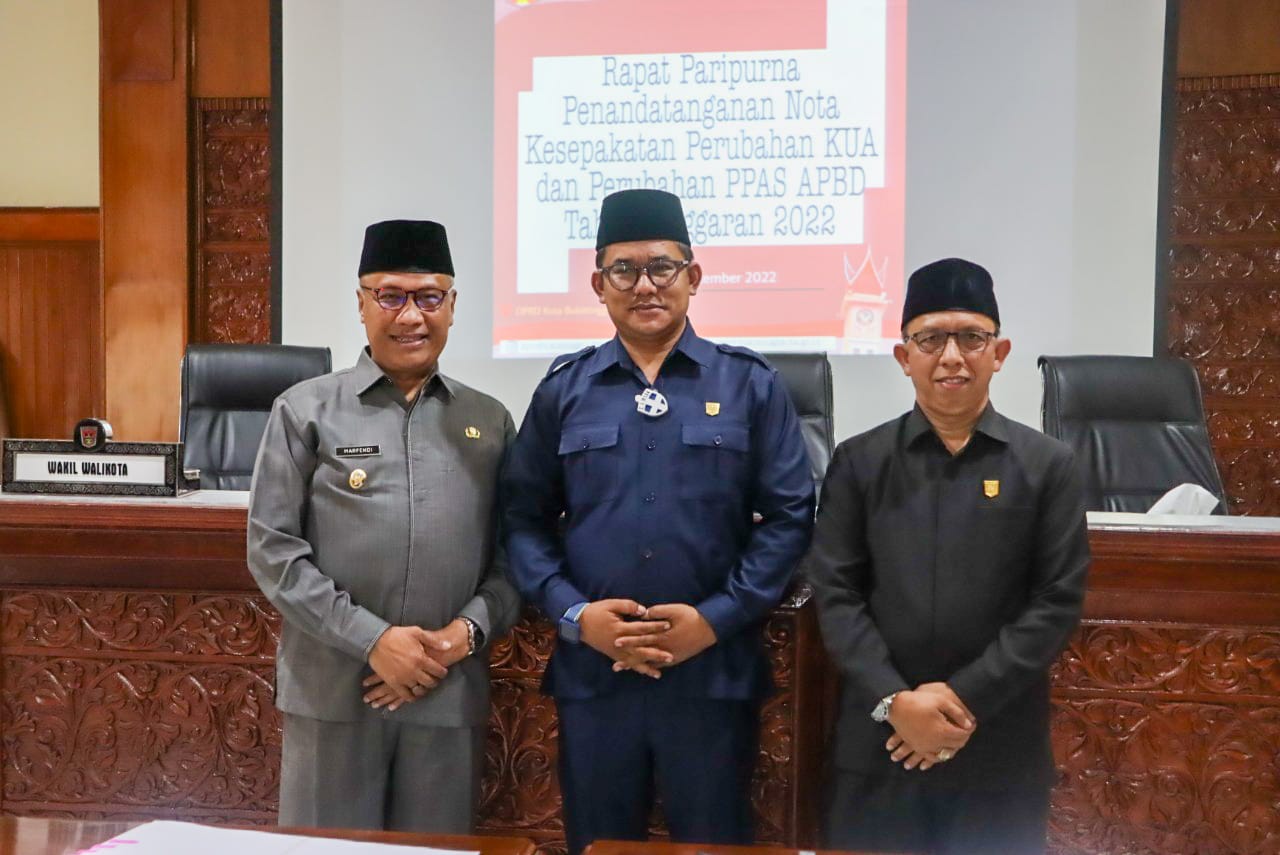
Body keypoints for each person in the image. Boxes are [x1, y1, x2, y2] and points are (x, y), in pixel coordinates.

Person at [502, 189, 815, 855]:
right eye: (624, 269)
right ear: (598, 284)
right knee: (599, 846)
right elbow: (521, 519)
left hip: (711, 674)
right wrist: (576, 615)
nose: (645, 285)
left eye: (662, 267)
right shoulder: (566, 388)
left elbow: (790, 518)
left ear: (693, 276)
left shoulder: (749, 384)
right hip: (596, 675)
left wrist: (715, 619)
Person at [805, 258, 1090, 855]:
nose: (952, 357)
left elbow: (1056, 601)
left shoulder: (1048, 466)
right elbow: (836, 593)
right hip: (882, 745)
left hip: (998, 748)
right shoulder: (859, 462)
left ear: (999, 352)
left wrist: (961, 700)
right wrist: (896, 702)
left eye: (971, 337)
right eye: (931, 339)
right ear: (903, 356)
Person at [247, 219, 520, 832]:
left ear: (453, 305)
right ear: (362, 303)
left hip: (445, 690)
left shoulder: (489, 420)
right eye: (391, 296)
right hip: (333, 692)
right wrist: (375, 641)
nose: (411, 316)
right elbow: (273, 551)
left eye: (429, 297)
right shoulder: (305, 410)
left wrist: (462, 635)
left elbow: (515, 556)